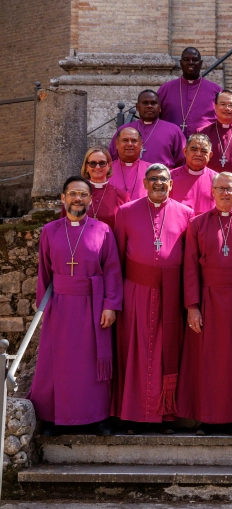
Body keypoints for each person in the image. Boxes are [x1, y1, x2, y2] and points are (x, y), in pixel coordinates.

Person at [30, 176, 122, 437]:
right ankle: (55, 419)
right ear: (63, 198)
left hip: (93, 306)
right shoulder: (50, 230)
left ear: (90, 199)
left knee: (92, 365)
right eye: (72, 193)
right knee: (58, 363)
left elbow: (113, 271)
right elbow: (44, 275)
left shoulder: (102, 230)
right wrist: (44, 309)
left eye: (83, 194)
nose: (77, 198)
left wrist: (111, 306)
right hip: (60, 306)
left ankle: (97, 418)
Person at [112, 163, 194, 433]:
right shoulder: (125, 213)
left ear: (172, 184)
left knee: (166, 352)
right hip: (135, 291)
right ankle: (135, 415)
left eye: (164, 180)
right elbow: (117, 260)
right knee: (135, 351)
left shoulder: (186, 214)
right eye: (154, 179)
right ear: (145, 184)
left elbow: (190, 260)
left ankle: (165, 415)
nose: (159, 183)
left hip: (171, 293)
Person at [178, 172, 232, 435]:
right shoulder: (198, 224)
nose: (226, 193)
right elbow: (190, 268)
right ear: (211, 192)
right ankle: (206, 418)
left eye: (231, 189)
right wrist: (192, 306)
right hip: (208, 299)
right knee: (207, 361)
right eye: (221, 188)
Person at [108, 90, 186, 168]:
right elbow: (111, 159)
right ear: (137, 107)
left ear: (160, 107)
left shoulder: (174, 131)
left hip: (162, 178)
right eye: (145, 103)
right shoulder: (124, 130)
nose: (149, 106)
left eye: (153, 103)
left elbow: (183, 161)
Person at [157, 47, 222, 137]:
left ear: (201, 63)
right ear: (180, 63)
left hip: (204, 145)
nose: (190, 62)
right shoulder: (165, 89)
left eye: (195, 60)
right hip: (171, 143)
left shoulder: (215, 90)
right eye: (186, 59)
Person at [62, 147, 127, 229]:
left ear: (109, 166)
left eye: (102, 163)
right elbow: (64, 225)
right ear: (87, 167)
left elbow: (125, 230)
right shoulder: (73, 194)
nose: (97, 167)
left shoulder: (122, 196)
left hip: (110, 241)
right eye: (93, 163)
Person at [169, 133, 219, 216]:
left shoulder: (218, 179)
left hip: (207, 226)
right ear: (185, 151)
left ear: (210, 155)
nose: (198, 154)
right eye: (194, 149)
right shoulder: (170, 177)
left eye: (204, 151)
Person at [109, 128, 150, 201]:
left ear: (141, 145)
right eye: (125, 140)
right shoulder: (106, 169)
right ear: (117, 144)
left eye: (134, 140)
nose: (129, 144)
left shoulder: (152, 170)